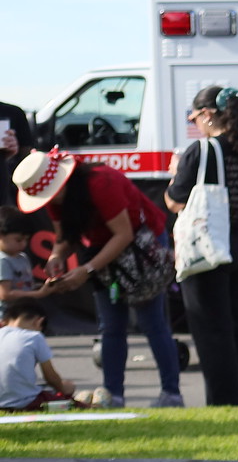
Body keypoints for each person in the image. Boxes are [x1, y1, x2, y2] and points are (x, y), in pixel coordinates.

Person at [13, 148, 182, 408]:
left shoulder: (102, 183)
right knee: (111, 327)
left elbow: (123, 234)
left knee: (152, 322)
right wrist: (55, 257)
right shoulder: (57, 199)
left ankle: (171, 394)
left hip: (140, 245)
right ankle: (113, 395)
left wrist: (88, 269)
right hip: (103, 250)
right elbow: (64, 237)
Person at [166, 86, 238, 406]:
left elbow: (175, 201)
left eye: (195, 117)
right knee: (234, 322)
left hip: (209, 247)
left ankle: (223, 402)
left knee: (211, 329)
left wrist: (174, 175)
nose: (195, 123)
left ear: (208, 114)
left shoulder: (201, 151)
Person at [0, 298, 81, 410]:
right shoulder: (34, 337)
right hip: (25, 402)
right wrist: (63, 390)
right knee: (71, 393)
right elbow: (51, 378)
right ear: (39, 321)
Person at [1, 215, 42, 301]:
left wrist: (43, 287)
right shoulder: (3, 261)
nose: (24, 244)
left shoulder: (23, 257)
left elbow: (25, 285)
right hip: (10, 312)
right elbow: (6, 294)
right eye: (18, 240)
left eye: (26, 240)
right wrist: (38, 294)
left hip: (26, 306)